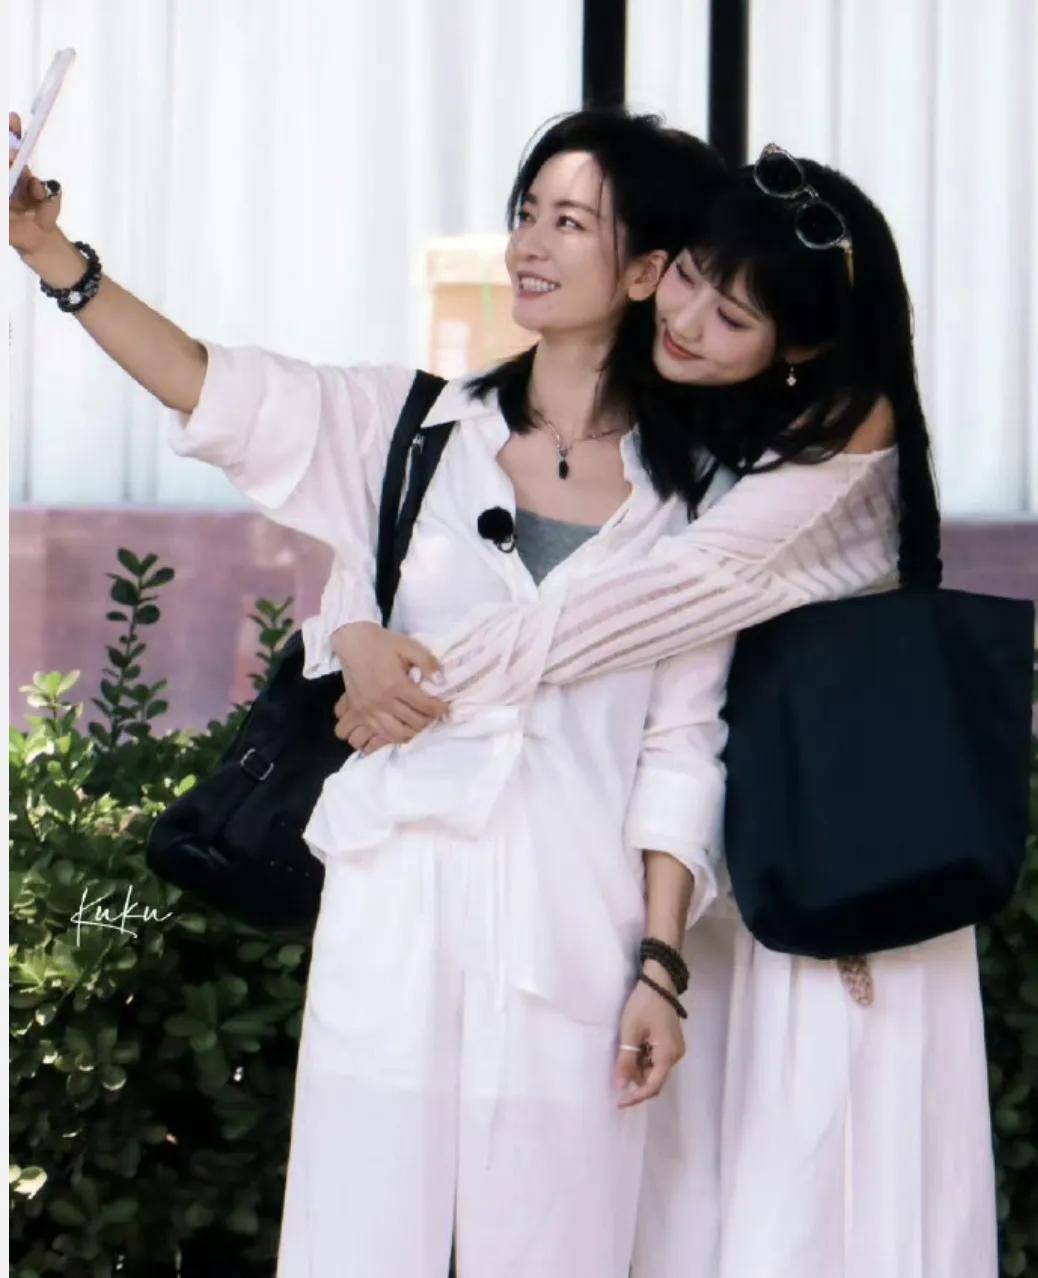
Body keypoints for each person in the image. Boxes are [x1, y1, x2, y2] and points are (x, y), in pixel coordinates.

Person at [9, 105, 748, 1278]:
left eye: (570, 222)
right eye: (526, 213)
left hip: (576, 926)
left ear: (648, 270)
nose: (529, 244)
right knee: (358, 1243)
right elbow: (209, 386)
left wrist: (660, 963)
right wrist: (57, 258)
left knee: (559, 1249)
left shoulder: (702, 501)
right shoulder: (412, 431)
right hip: (396, 903)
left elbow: (682, 746)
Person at [328, 150, 998, 1278]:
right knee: (704, 1209)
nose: (683, 320)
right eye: (686, 275)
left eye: (730, 316)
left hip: (833, 886)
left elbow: (633, 611)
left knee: (811, 1207)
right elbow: (379, 515)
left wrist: (415, 686)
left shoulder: (841, 446)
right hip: (735, 875)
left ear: (802, 345)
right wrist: (355, 629)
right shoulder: (730, 424)